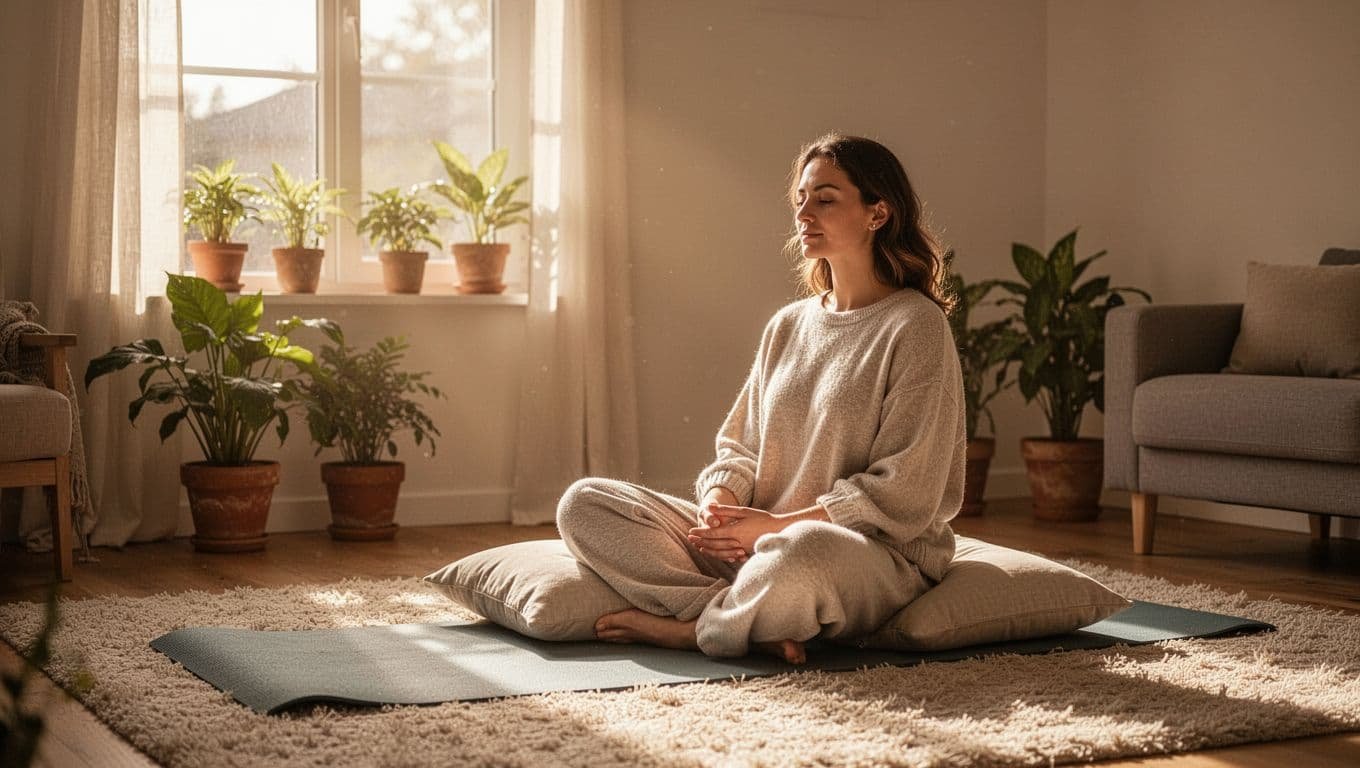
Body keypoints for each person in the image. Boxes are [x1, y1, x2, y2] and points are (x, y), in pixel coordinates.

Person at [556, 133, 965, 664]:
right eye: (800, 198)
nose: (804, 213)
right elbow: (741, 447)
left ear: (877, 213)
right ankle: (740, 616)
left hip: (868, 554)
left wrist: (775, 528)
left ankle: (693, 629)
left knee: (799, 552)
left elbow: (905, 491)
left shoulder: (916, 326)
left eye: (826, 198)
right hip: (755, 545)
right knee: (585, 503)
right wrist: (720, 507)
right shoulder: (788, 325)